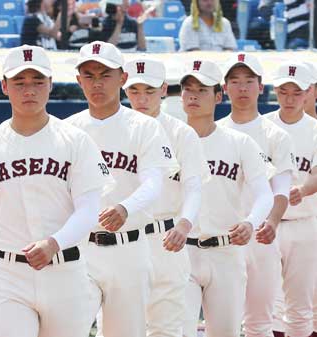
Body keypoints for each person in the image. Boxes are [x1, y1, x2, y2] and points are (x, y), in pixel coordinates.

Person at [0, 45, 112, 337]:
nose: (29, 90)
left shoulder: (76, 141)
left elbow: (89, 208)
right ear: (5, 86)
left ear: (51, 85)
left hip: (64, 270)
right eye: (19, 82)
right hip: (6, 271)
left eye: (38, 82)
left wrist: (54, 243)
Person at [67, 41, 178, 337]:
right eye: (88, 75)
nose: (96, 83)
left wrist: (126, 207)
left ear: (123, 79)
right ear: (78, 80)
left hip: (129, 248)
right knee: (66, 327)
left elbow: (155, 181)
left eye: (105, 74)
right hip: (81, 249)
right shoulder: (66, 130)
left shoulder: (144, 127)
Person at [180, 59, 273, 337]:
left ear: (218, 96)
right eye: (188, 88)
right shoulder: (166, 139)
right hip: (180, 252)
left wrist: (251, 222)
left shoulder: (239, 142)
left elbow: (264, 194)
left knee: (226, 333)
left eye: (203, 89)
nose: (194, 95)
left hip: (226, 251)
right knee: (178, 332)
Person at [122, 58, 207, 337]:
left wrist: (184, 224)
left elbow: (194, 186)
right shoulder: (115, 128)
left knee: (166, 327)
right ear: (124, 89)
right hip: (122, 237)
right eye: (135, 91)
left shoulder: (182, 133)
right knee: (119, 326)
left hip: (165, 236)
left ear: (163, 89)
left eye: (149, 90)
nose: (141, 98)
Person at [218, 53, 296, 337]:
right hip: (220, 239)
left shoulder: (275, 135)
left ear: (260, 87)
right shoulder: (213, 132)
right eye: (235, 81)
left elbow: (282, 188)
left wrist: (272, 221)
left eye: (248, 81)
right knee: (221, 324)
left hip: (261, 237)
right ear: (224, 88)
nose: (242, 88)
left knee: (259, 323)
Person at [265, 62, 317, 337]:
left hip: (303, 222)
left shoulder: (314, 129)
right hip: (267, 225)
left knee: (301, 305)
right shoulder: (263, 126)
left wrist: (304, 189)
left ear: (308, 93)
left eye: (296, 92)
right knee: (266, 307)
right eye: (284, 91)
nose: (289, 98)